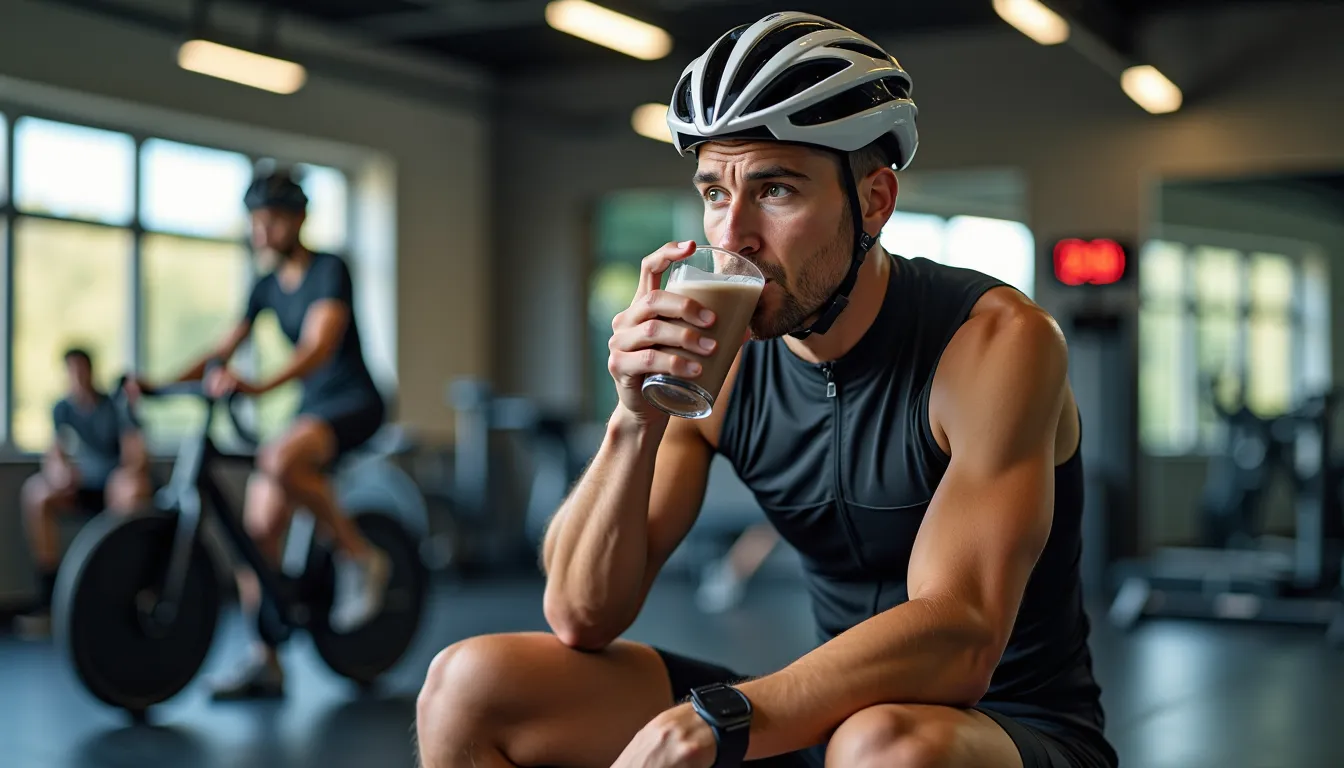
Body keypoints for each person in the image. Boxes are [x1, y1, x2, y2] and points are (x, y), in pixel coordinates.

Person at [415, 11, 1117, 768]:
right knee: (471, 684)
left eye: (775, 190)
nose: (733, 234)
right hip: (828, 720)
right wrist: (634, 417)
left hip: (1003, 731)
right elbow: (581, 614)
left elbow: (960, 634)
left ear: (874, 201)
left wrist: (724, 718)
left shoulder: (994, 343)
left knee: (887, 748)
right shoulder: (726, 358)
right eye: (716, 192)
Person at [134, 169, 391, 700]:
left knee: (278, 459)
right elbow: (221, 349)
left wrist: (258, 386)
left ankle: (360, 556)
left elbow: (319, 347)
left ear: (297, 220)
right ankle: (266, 664)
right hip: (310, 406)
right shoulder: (265, 284)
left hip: (353, 402)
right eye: (254, 220)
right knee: (257, 536)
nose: (260, 231)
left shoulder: (328, 270)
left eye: (269, 219)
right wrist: (158, 384)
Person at [17, 347, 151, 637]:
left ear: (91, 371)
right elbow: (55, 453)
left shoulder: (115, 405)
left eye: (81, 370)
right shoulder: (62, 409)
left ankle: (122, 597)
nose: (77, 377)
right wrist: (60, 473)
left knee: (131, 490)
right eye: (71, 371)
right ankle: (49, 596)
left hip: (116, 487)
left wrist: (123, 475)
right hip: (82, 488)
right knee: (36, 493)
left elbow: (136, 453)